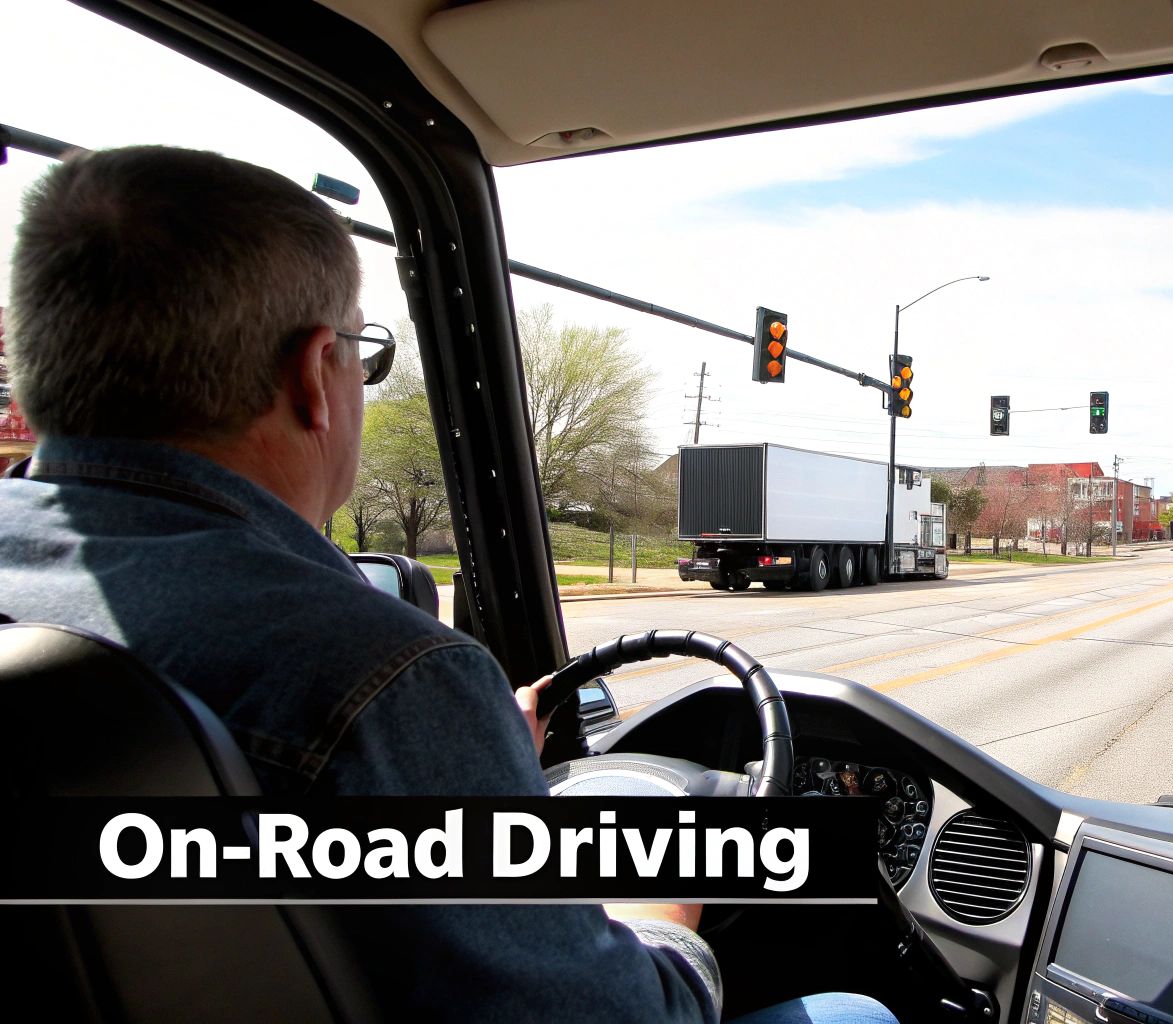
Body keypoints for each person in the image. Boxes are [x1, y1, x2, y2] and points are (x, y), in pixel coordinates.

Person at [0, 145, 894, 1024]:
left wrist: (465, 756)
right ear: (314, 374)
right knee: (856, 1012)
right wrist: (664, 903)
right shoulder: (376, 678)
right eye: (363, 354)